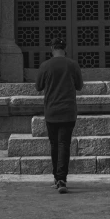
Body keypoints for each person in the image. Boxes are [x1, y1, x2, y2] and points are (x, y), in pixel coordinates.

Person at [35, 37, 84, 194]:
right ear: (65, 49)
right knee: (64, 144)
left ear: (51, 49)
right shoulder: (72, 65)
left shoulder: (45, 66)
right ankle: (62, 179)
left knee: (54, 144)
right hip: (68, 111)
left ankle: (56, 178)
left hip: (51, 111)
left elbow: (38, 87)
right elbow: (79, 86)